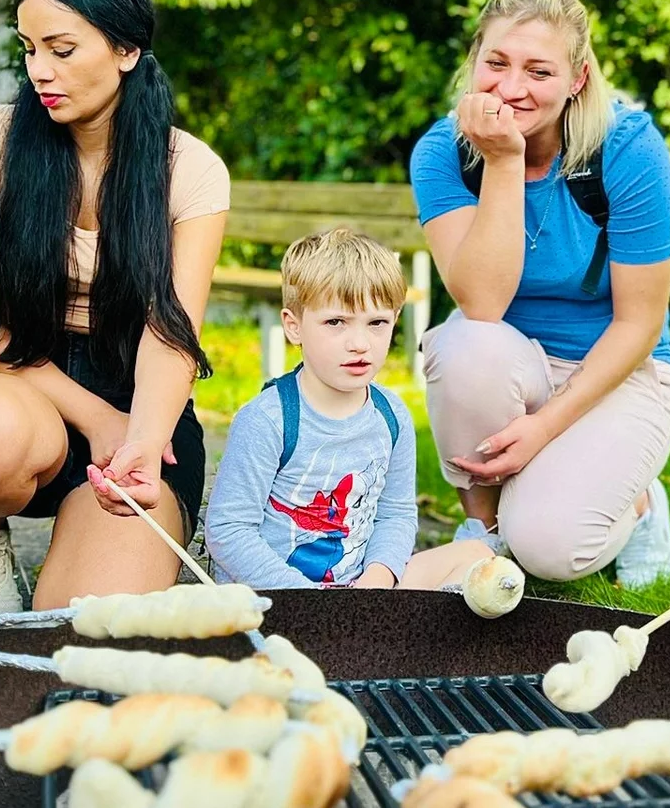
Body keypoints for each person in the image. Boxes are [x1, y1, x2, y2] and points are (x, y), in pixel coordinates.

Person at [0, 0, 228, 613]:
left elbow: (171, 337)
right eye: (29, 48)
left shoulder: (191, 169)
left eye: (61, 50)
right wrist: (96, 419)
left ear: (126, 50)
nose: (39, 70)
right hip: (22, 386)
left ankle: (88, 536)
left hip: (141, 399)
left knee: (84, 624)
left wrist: (141, 439)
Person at [409, 0, 670, 585]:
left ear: (577, 79)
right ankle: (481, 530)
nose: (511, 89)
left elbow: (639, 325)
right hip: (511, 359)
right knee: (462, 342)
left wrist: (544, 429)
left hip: (619, 371)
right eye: (496, 63)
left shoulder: (629, 149)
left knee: (548, 550)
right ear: (474, 60)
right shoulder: (442, 153)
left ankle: (641, 504)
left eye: (539, 71)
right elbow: (482, 304)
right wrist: (504, 160)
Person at [204, 230, 487, 591]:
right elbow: (228, 530)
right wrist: (310, 600)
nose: (359, 344)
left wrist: (378, 579)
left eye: (377, 323)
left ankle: (383, 617)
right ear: (294, 326)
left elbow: (396, 514)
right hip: (277, 596)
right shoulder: (268, 419)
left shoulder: (392, 416)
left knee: (477, 554)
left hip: (359, 590)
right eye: (336, 322)